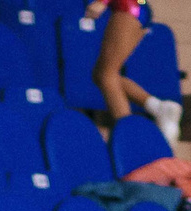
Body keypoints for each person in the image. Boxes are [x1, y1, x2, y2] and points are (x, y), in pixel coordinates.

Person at [77, 0, 181, 138]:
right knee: (101, 74)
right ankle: (158, 107)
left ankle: (129, 134)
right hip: (138, 7)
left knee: (106, 76)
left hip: (128, 7)